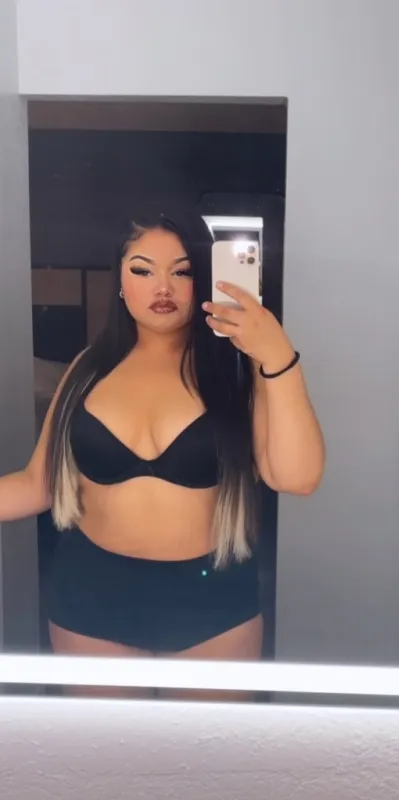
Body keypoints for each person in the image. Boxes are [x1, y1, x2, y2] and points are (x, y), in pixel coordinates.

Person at [0, 210, 325, 699]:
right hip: (91, 594)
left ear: (204, 278)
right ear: (120, 281)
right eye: (143, 269)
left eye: (182, 271)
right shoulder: (87, 369)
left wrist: (277, 356)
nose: (163, 287)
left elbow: (297, 478)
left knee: (204, 751)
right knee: (108, 748)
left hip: (211, 600)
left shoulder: (241, 370)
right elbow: (36, 485)